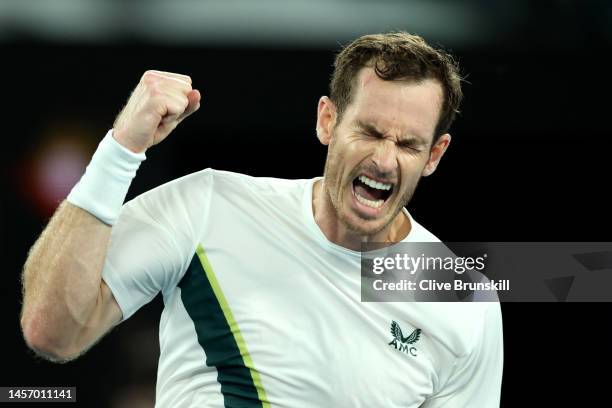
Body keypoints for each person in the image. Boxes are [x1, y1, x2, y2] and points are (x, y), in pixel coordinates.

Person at [20, 32, 503, 407]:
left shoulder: (463, 297)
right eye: (370, 132)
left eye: (408, 145)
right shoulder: (209, 205)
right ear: (327, 121)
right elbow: (53, 331)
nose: (383, 159)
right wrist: (121, 149)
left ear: (435, 154)